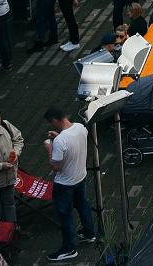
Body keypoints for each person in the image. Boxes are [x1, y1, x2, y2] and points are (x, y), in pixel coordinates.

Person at [43, 107, 97, 261]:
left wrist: (49, 148)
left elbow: (56, 166)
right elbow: (72, 143)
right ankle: (89, 232)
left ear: (54, 120)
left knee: (65, 215)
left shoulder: (60, 141)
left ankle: (69, 248)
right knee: (83, 205)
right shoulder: (81, 128)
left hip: (65, 184)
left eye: (50, 123)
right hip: (80, 177)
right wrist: (59, 137)